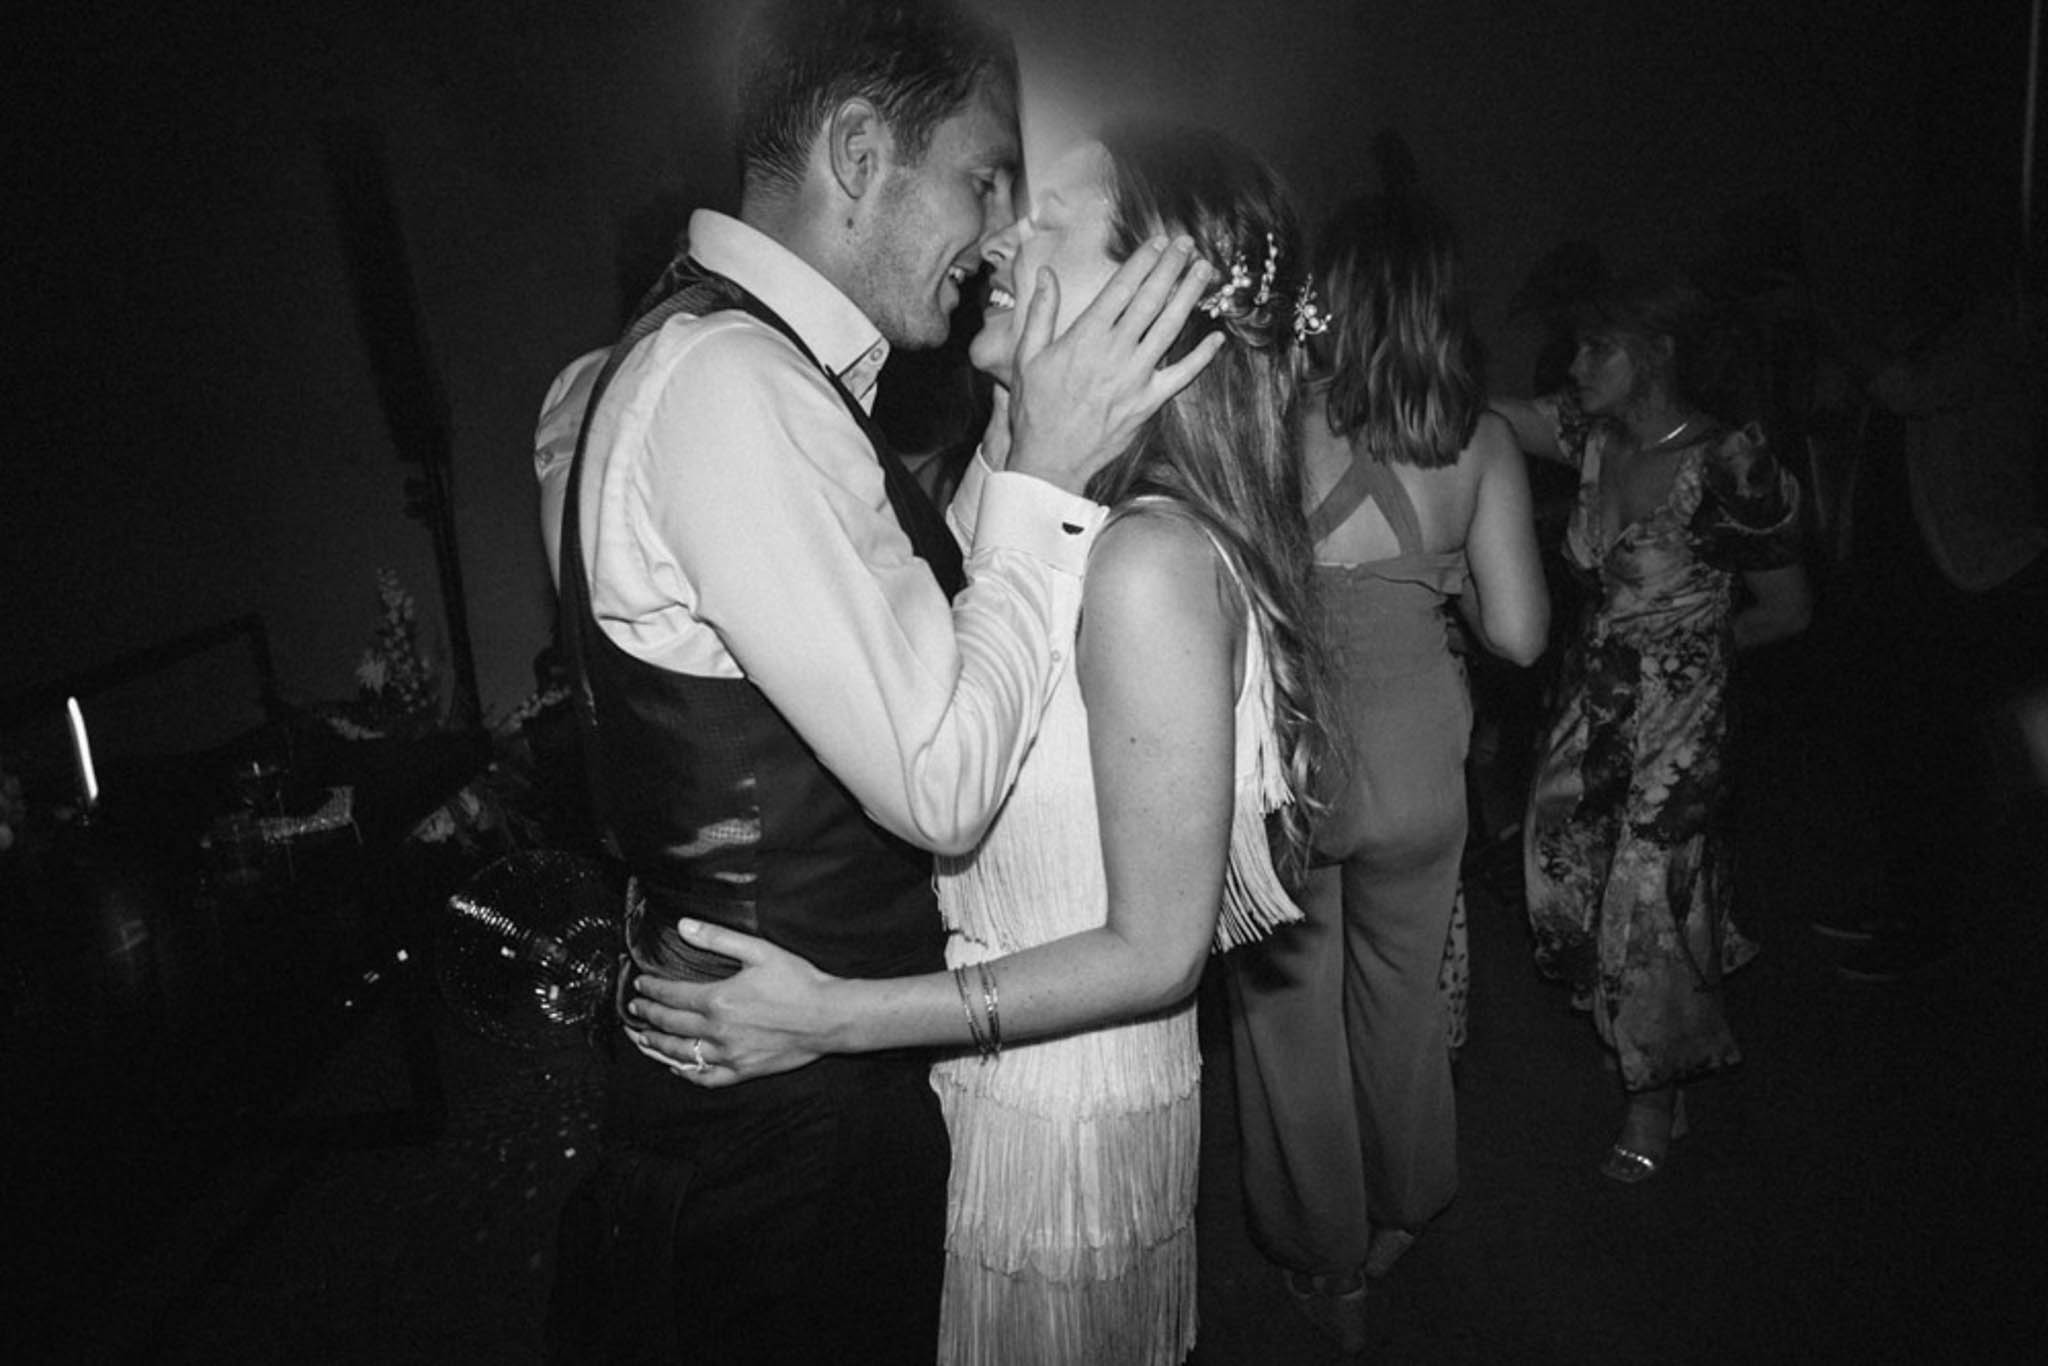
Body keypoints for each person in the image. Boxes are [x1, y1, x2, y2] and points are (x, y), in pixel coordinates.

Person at [536, 2, 1223, 1361]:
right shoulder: (732, 384)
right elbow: (943, 782)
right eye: (983, 177)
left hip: (836, 1090)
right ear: (858, 154)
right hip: (780, 1133)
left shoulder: (750, 374)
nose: (997, 232)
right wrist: (1042, 473)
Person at [630, 122, 1327, 1365]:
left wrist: (832, 1016)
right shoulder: (1015, 500)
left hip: (1059, 1119)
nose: (1002, 241)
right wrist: (1022, 433)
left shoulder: (1147, 563)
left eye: (1052, 220)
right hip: (970, 1072)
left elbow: (1156, 951)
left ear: (1149, 298)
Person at [1224, 192, 1548, 1343]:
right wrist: (1438, 577)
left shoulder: (1262, 420)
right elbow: (1519, 636)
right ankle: (1403, 1208)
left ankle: (1326, 1267)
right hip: (1418, 768)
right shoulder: (1480, 441)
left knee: (1286, 1023)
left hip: (1289, 771)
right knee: (1401, 998)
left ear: (1331, 297)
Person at [1494, 273, 1812, 1183]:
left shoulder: (1729, 462)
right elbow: (1483, 412)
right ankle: (1638, 1034)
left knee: (1648, 893)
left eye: (1599, 347)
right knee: (1564, 869)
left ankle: (1655, 1093)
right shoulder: (1592, 436)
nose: (1576, 364)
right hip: (1590, 705)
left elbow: (1789, 608)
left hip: (1682, 718)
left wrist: (1690, 654)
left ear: (1658, 352)